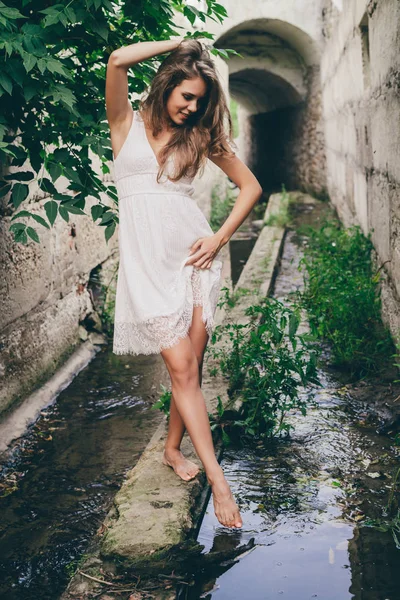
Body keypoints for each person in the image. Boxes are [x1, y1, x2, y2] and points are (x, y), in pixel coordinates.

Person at [106, 37, 262, 529]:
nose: (191, 108)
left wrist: (218, 239)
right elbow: (115, 60)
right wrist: (180, 43)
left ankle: (174, 449)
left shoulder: (198, 137)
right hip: (146, 266)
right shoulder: (124, 123)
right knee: (182, 367)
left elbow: (251, 187)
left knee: (188, 367)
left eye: (199, 102)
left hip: (193, 258)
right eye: (186, 96)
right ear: (168, 83)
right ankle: (219, 481)